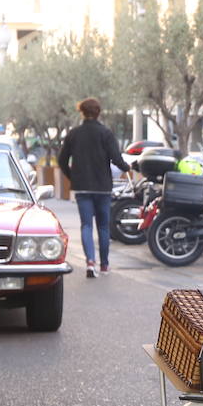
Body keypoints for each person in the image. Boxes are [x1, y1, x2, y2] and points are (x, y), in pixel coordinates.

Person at [58, 98, 129, 278]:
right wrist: (128, 167)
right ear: (99, 112)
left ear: (81, 112)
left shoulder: (74, 134)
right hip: (103, 187)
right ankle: (104, 265)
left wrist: (72, 176)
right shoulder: (105, 133)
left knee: (86, 225)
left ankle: (90, 262)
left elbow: (61, 160)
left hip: (82, 187)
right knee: (104, 226)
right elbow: (116, 158)